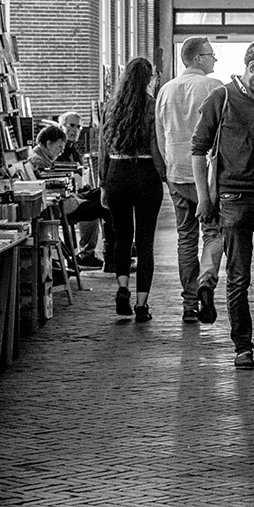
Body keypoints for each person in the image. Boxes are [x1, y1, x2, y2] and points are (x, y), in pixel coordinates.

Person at [191, 39, 254, 368]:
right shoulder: (220, 98)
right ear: (252, 68)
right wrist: (204, 198)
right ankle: (243, 346)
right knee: (238, 277)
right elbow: (199, 149)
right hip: (233, 200)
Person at [155, 37, 224, 322]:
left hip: (177, 175)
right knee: (213, 232)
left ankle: (189, 303)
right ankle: (206, 282)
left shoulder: (165, 90)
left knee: (185, 238)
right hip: (206, 176)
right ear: (197, 58)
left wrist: (170, 169)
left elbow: (160, 135)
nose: (214, 60)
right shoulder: (214, 87)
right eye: (211, 55)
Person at [99, 57, 166, 322]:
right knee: (146, 242)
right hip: (145, 174)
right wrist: (165, 175)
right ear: (149, 78)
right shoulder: (152, 106)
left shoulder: (111, 107)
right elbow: (155, 146)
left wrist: (103, 183)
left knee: (122, 237)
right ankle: (141, 305)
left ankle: (123, 288)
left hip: (117, 173)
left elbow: (103, 149)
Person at [28, 124, 114, 269]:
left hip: (68, 197)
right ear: (48, 144)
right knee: (106, 208)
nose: (62, 151)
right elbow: (48, 188)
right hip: (61, 205)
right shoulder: (38, 161)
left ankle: (115, 253)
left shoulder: (42, 156)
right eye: (59, 147)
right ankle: (111, 259)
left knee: (103, 193)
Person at [57, 110, 107, 269]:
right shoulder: (59, 148)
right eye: (71, 126)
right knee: (98, 208)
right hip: (65, 197)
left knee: (105, 194)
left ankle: (111, 248)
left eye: (78, 127)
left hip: (75, 192)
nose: (75, 130)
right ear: (62, 126)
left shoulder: (72, 149)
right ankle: (88, 254)